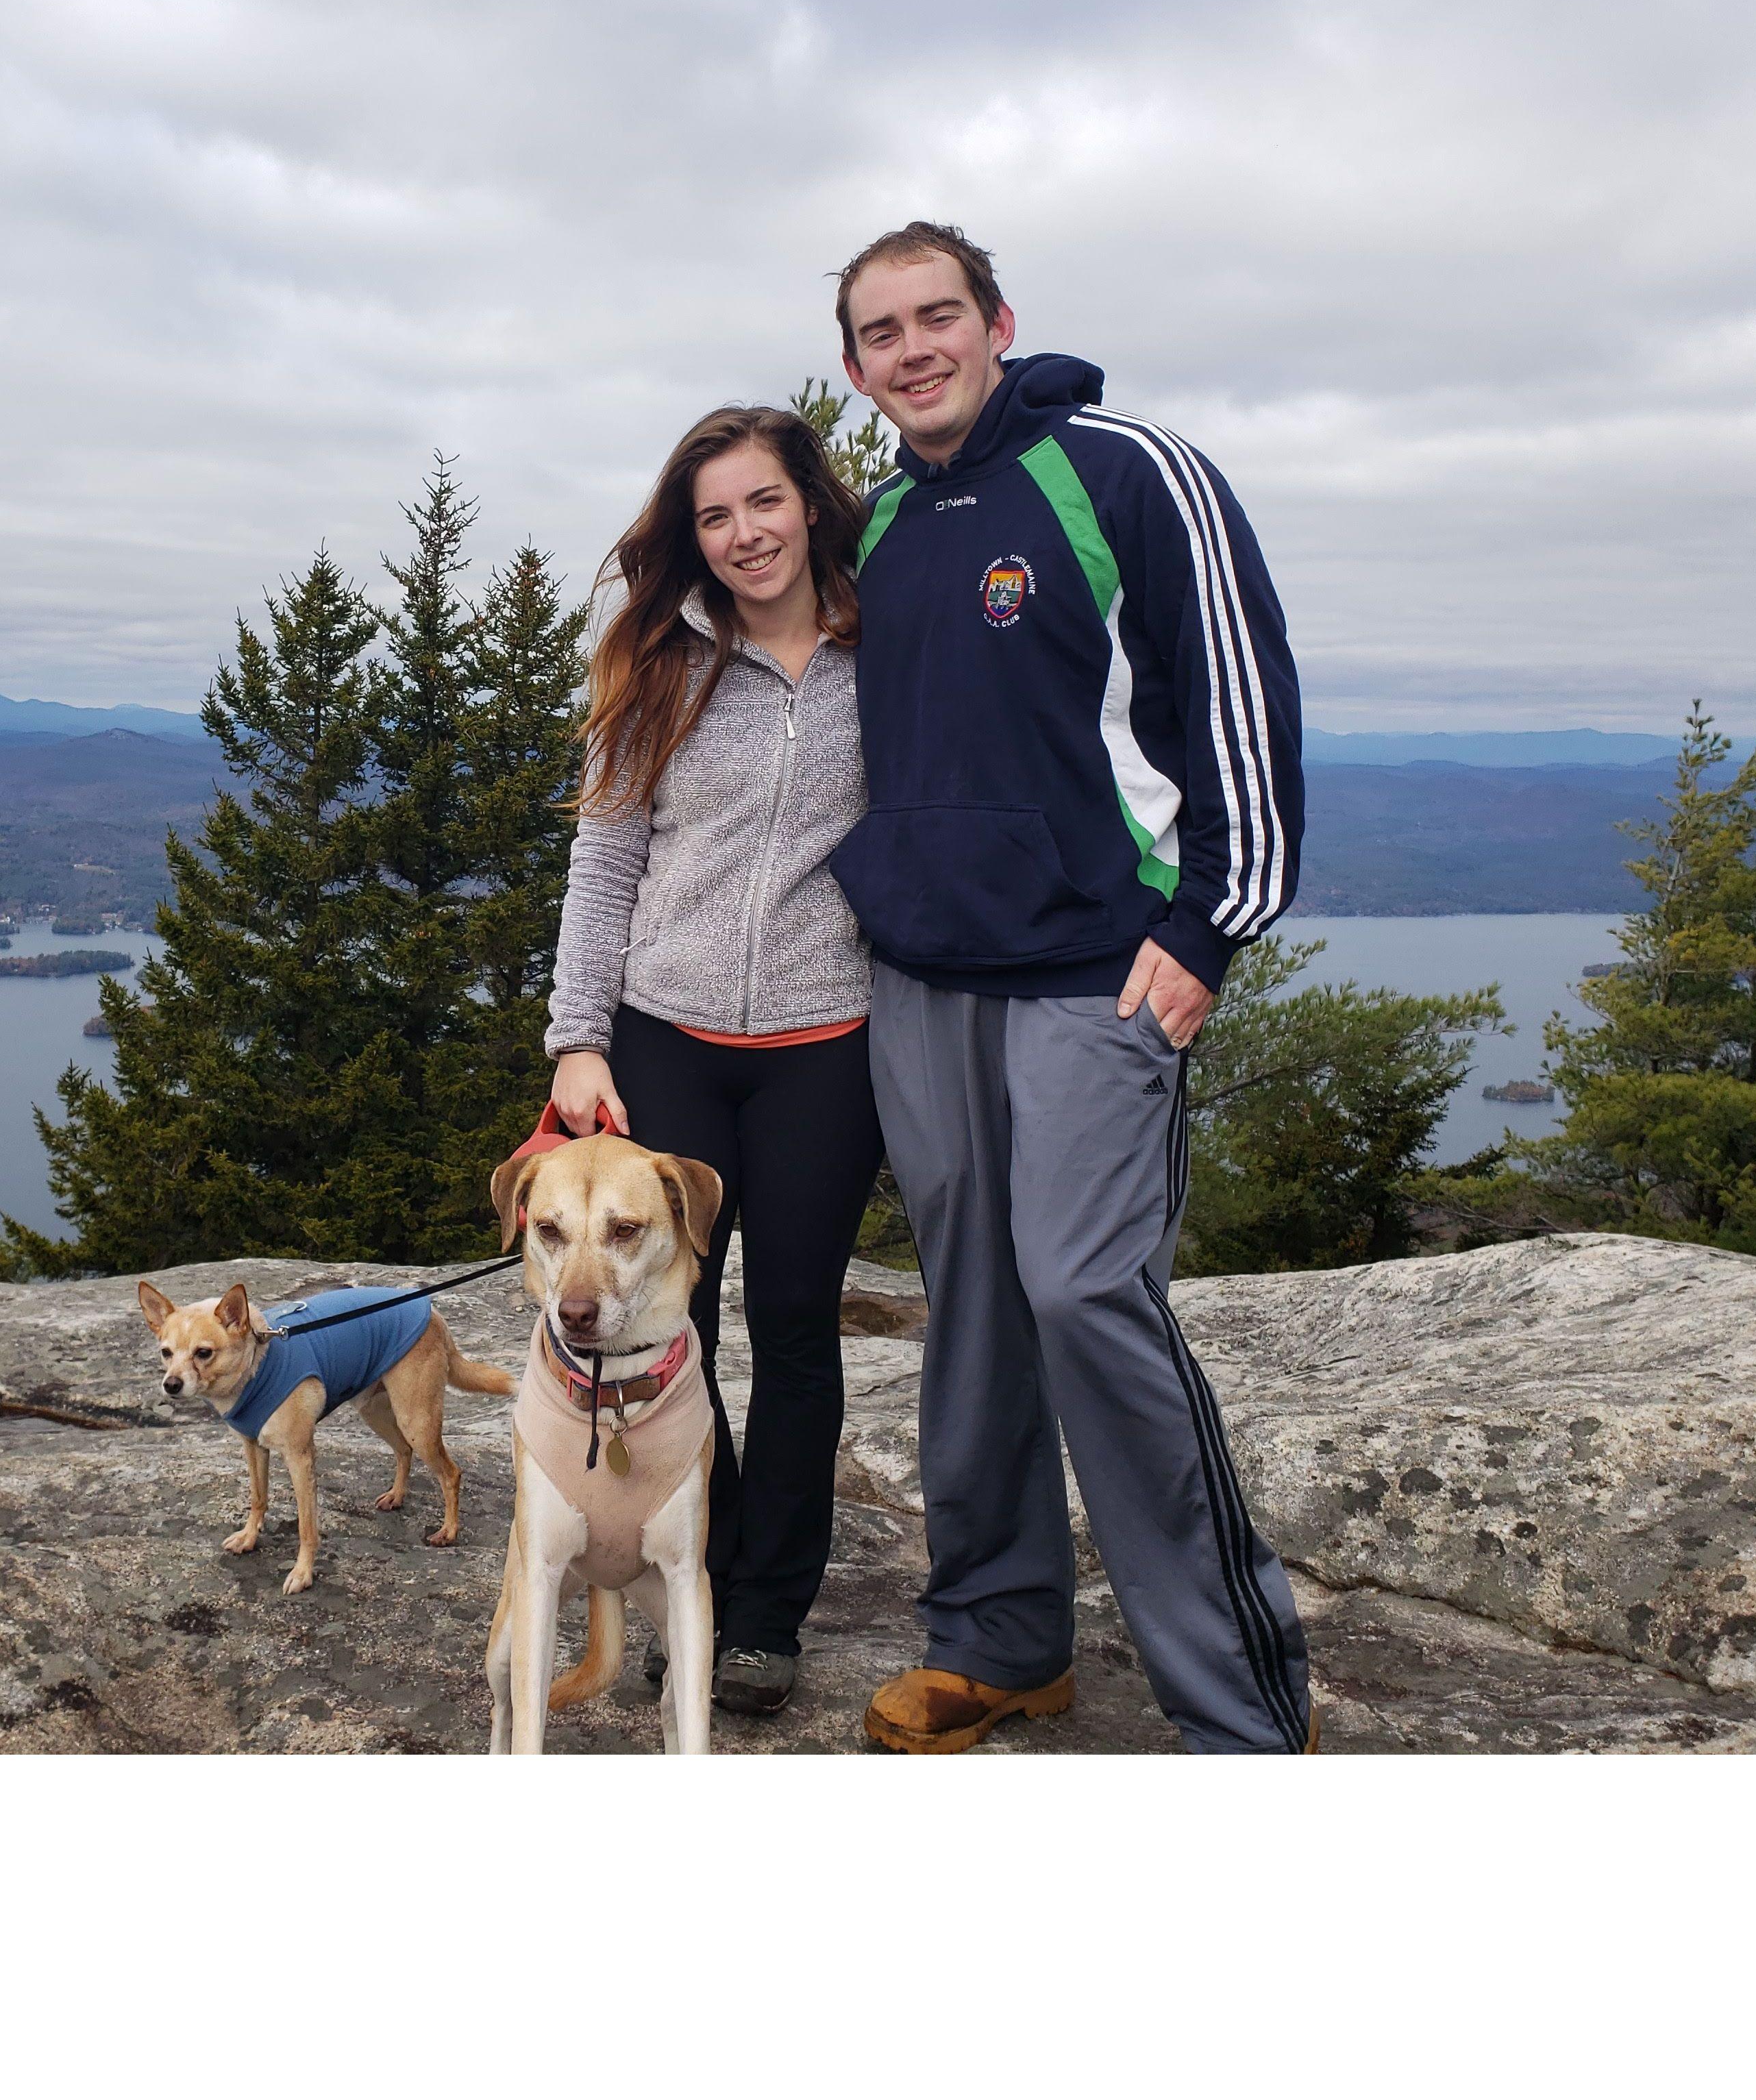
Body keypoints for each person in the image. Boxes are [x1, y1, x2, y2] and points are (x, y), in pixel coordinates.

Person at [829, 221, 1317, 1755]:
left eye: (936, 317)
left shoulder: (1123, 471)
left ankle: (1239, 1709)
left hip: (1100, 970)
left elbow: (1237, 697)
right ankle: (1000, 1640)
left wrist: (1215, 927)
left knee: (1087, 1292)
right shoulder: (888, 520)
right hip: (924, 975)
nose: (912, 350)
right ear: (857, 368)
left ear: (996, 321)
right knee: (970, 1304)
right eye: (880, 333)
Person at [543, 404, 882, 1718]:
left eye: (763, 503)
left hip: (825, 1051)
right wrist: (579, 1036)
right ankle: (704, 1567)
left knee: (796, 1336)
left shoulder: (886, 653)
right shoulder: (661, 661)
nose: (743, 535)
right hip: (665, 1038)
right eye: (714, 516)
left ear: (810, 504)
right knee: (660, 1324)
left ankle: (763, 1617)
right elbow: (606, 853)